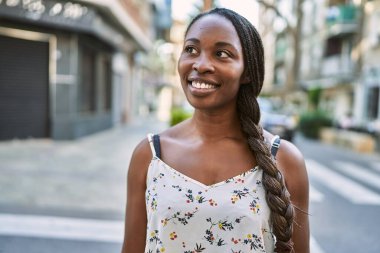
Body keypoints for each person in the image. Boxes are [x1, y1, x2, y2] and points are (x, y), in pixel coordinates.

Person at [121, 7, 309, 253]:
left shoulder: (284, 160)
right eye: (191, 49)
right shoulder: (151, 155)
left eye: (221, 53)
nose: (200, 64)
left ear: (247, 73)